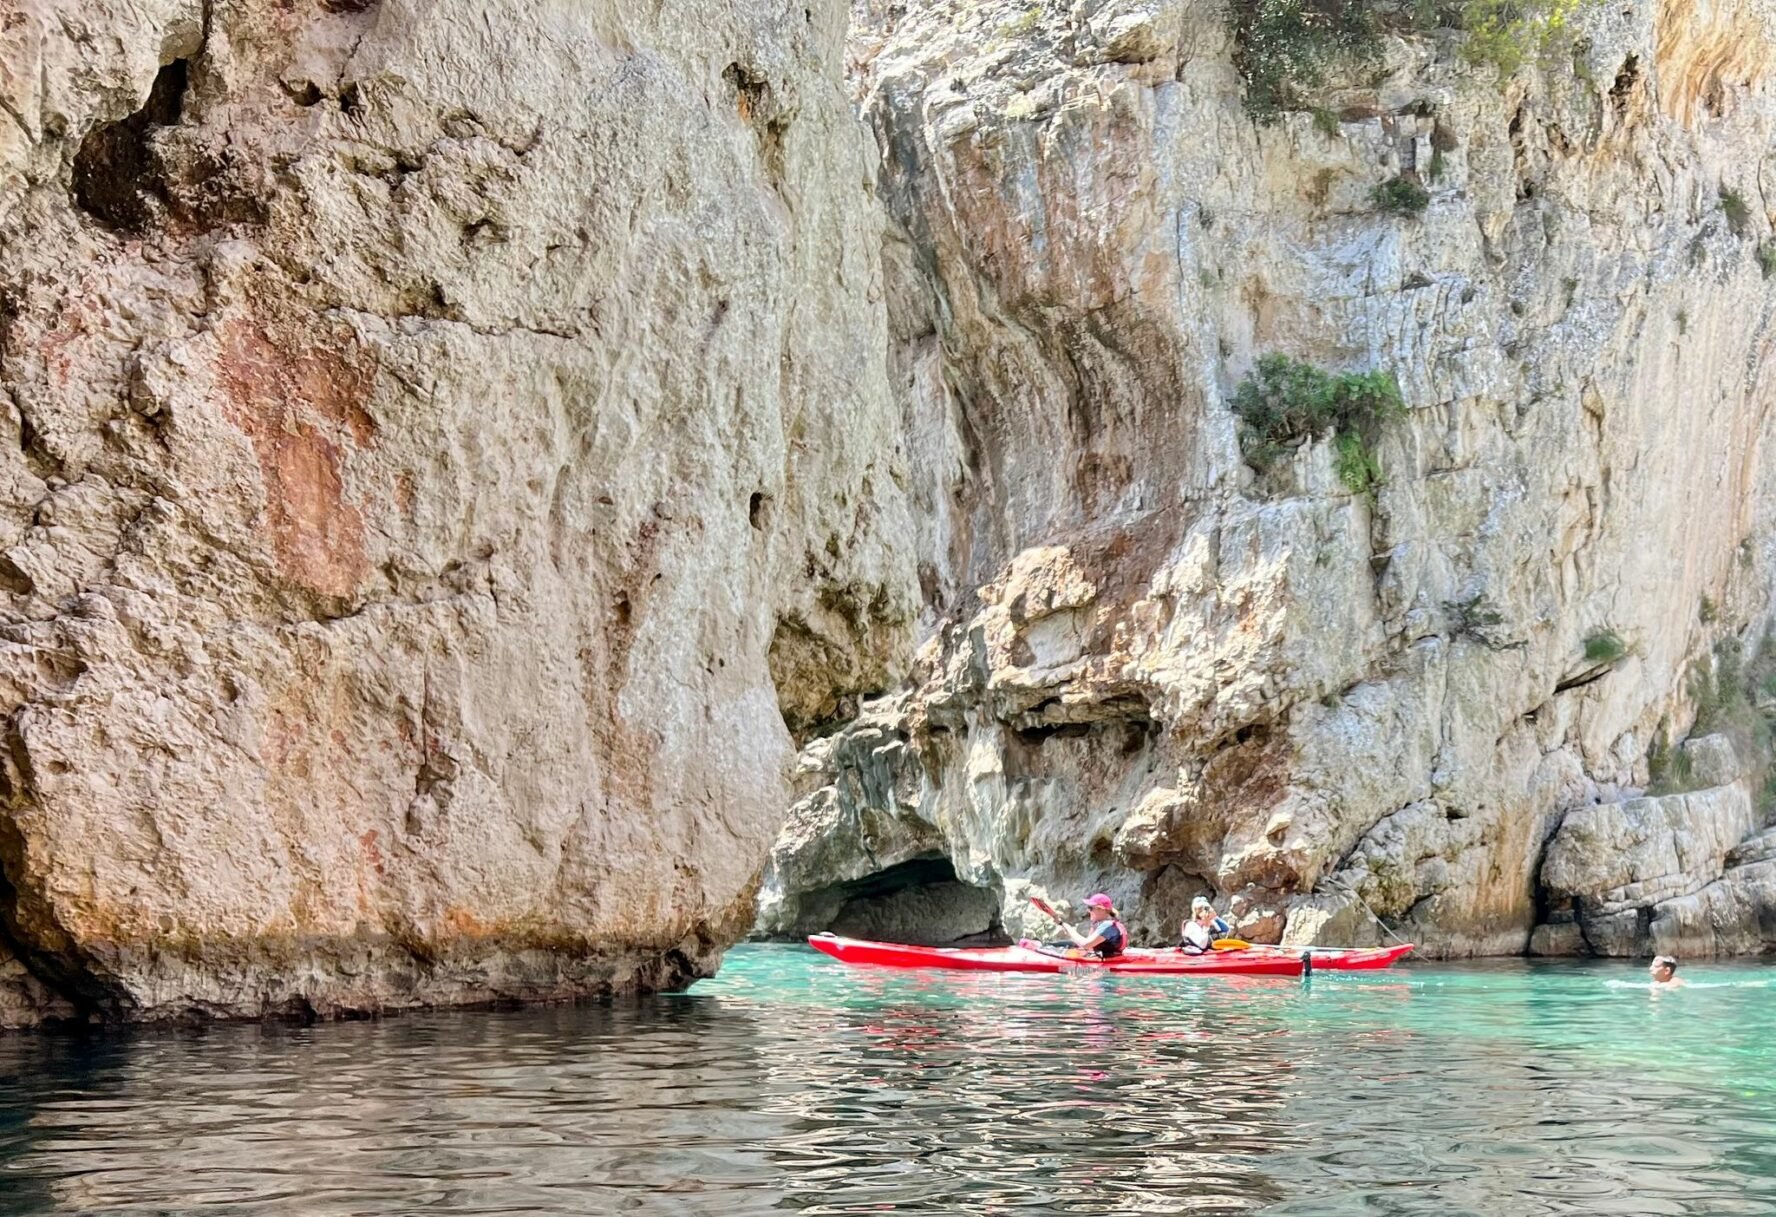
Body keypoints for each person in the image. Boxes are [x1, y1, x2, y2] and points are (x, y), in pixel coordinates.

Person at [1057, 893, 1126, 959]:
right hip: (1108, 957)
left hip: (1107, 962)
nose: (1088, 910)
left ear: (1101, 909)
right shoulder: (1107, 923)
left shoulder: (1107, 926)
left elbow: (1086, 944)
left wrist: (1067, 927)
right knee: (1064, 944)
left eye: (1090, 908)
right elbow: (1089, 947)